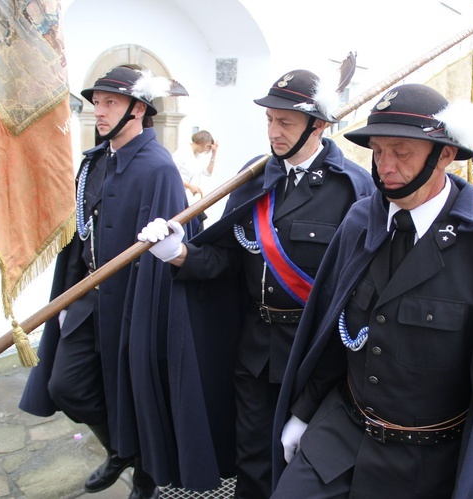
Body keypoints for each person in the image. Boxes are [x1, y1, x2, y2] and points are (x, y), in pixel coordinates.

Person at [270, 84, 473, 498]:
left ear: (445, 154)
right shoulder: (361, 221)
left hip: (425, 463)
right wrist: (304, 412)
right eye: (378, 151)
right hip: (342, 432)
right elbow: (332, 332)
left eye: (401, 151)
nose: (385, 166)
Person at [138, 69, 374, 498]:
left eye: (286, 122)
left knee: (308, 468)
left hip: (313, 355)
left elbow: (358, 290)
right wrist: (179, 254)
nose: (274, 131)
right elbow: (230, 258)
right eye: (270, 120)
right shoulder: (254, 176)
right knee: (251, 462)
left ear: (317, 125)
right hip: (256, 351)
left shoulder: (353, 188)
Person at [19, 66, 217, 498]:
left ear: (138, 109)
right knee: (66, 385)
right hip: (91, 298)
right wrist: (70, 292)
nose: (99, 112)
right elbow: (79, 236)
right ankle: (120, 449)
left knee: (138, 393)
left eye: (110, 103)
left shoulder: (159, 168)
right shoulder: (94, 164)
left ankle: (144, 470)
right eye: (97, 103)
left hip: (135, 304)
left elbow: (169, 252)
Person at [173, 130, 218, 203]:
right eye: (207, 146)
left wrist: (213, 155)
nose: (206, 149)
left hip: (190, 197)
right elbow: (172, 175)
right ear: (201, 142)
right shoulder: (182, 152)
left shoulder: (198, 156)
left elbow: (208, 172)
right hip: (178, 193)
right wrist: (189, 186)